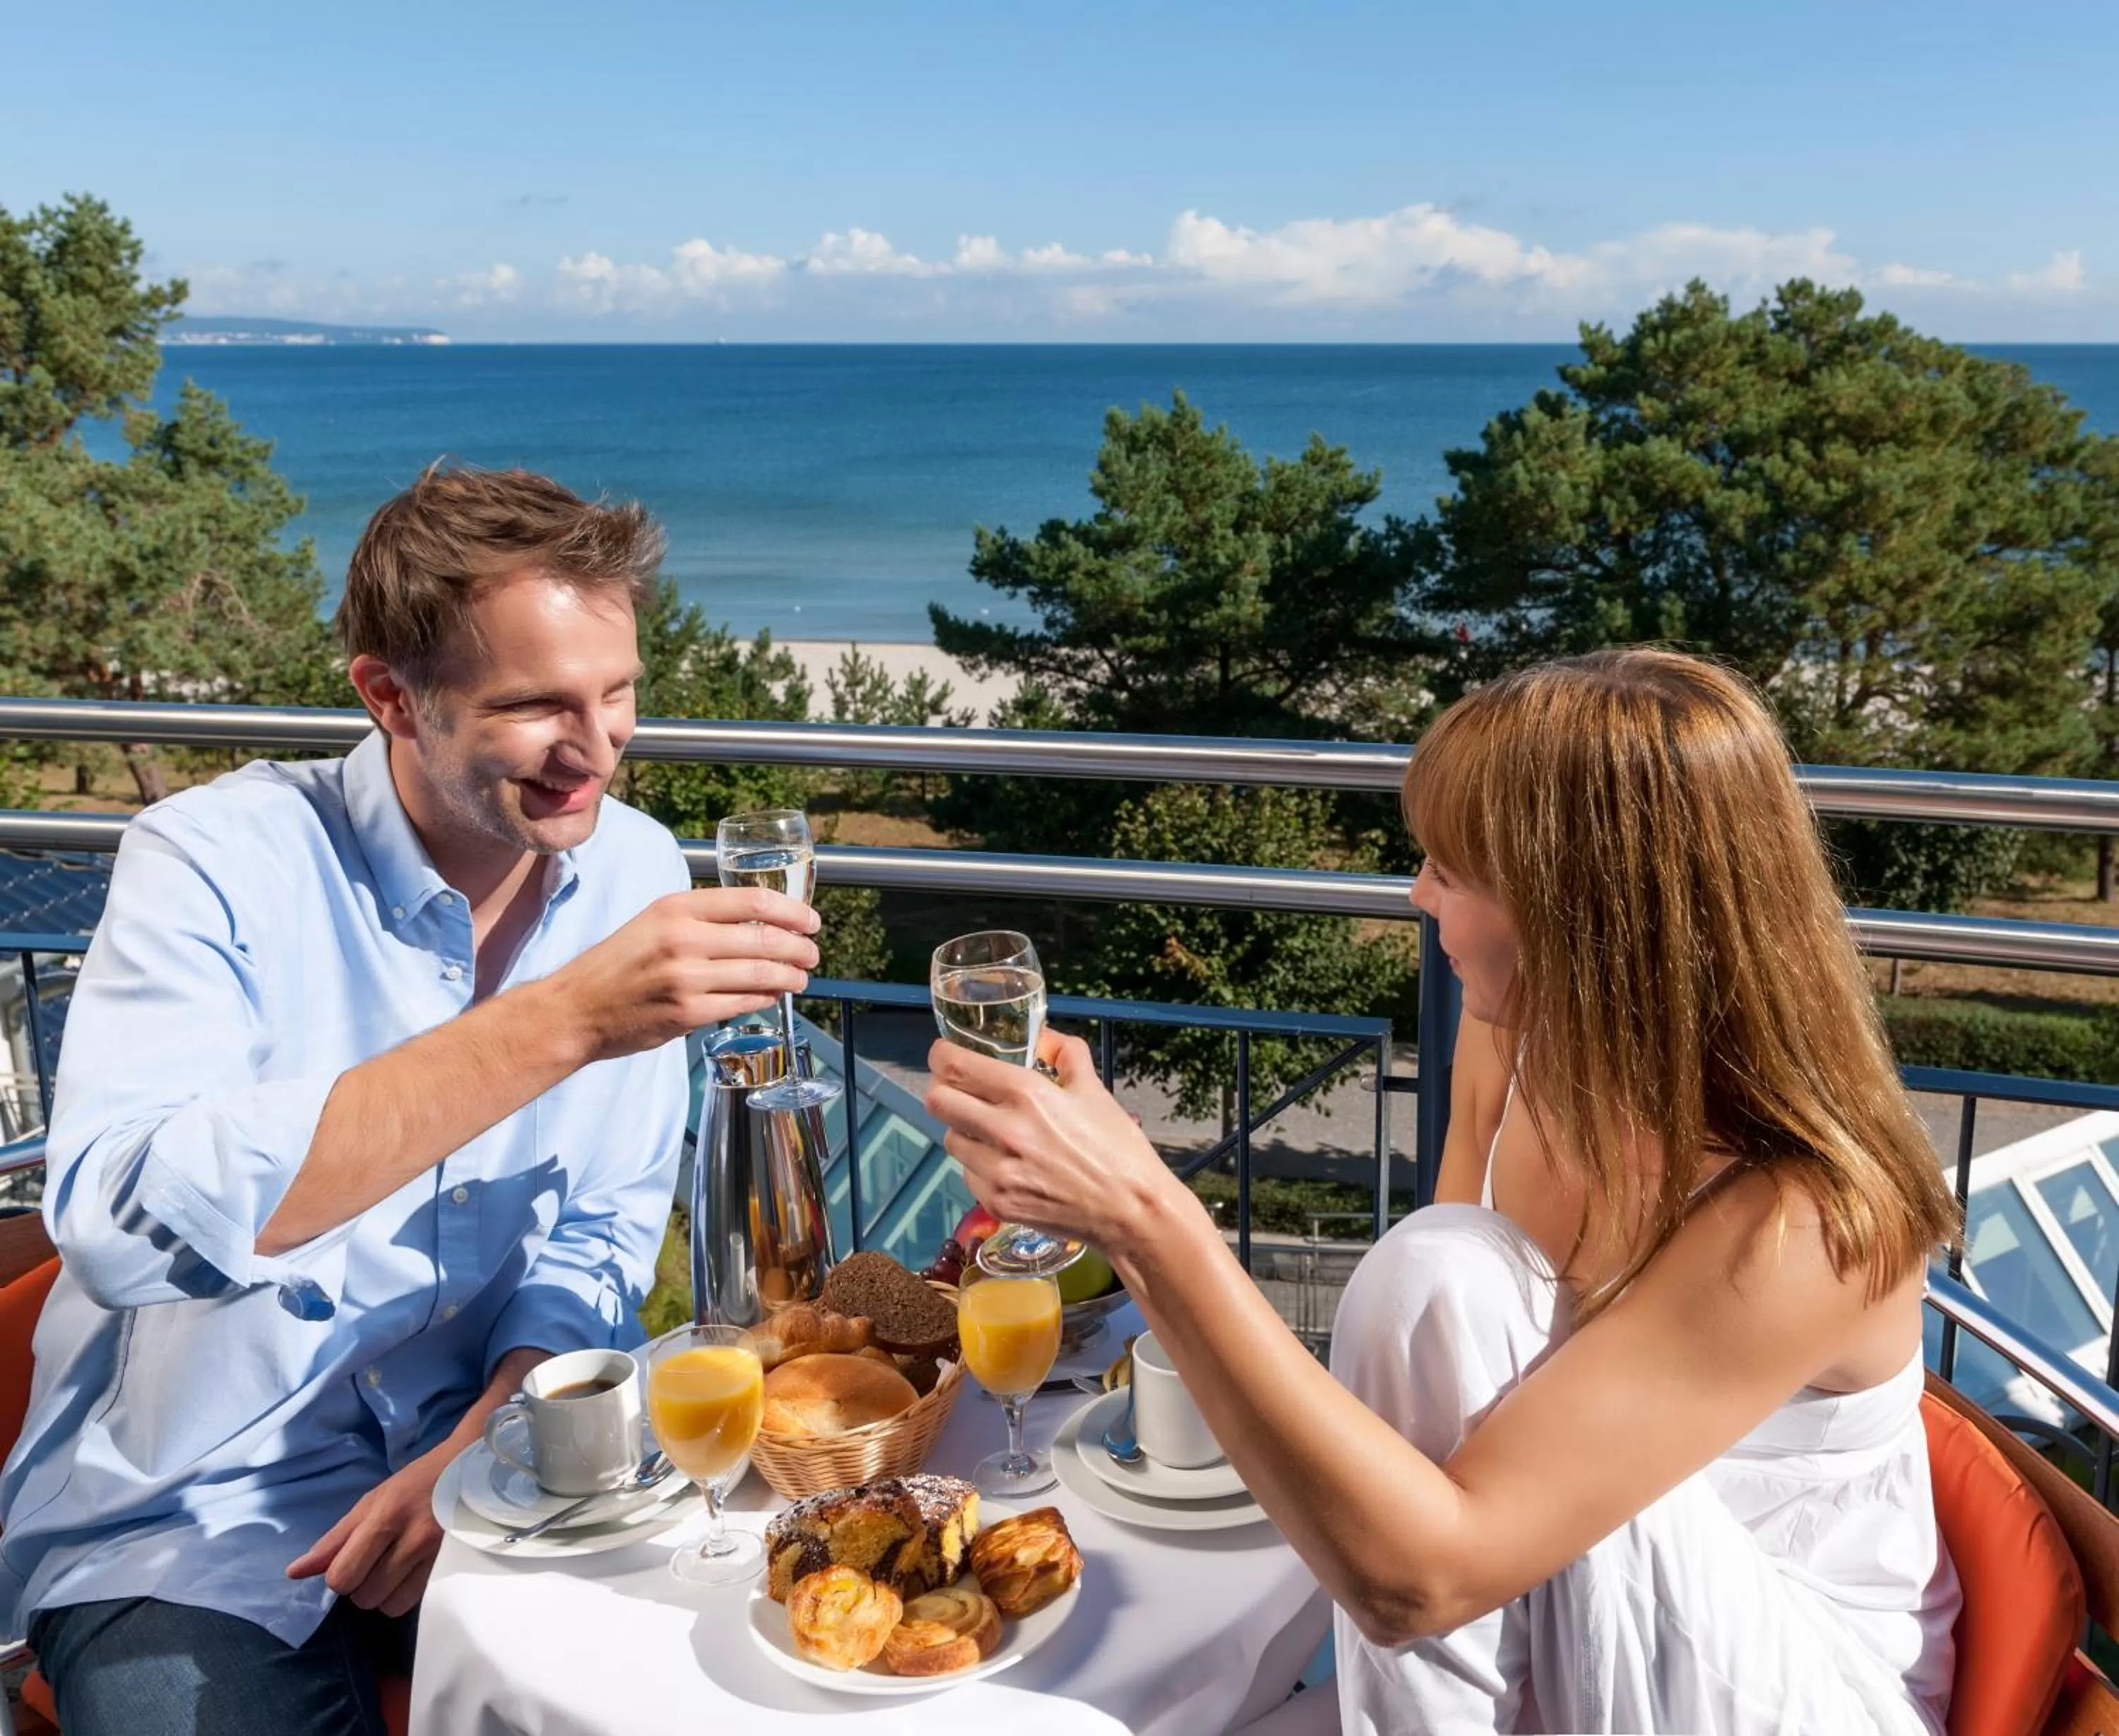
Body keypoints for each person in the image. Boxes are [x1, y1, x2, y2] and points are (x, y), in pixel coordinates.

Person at [925, 648, 1964, 1735]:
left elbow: (1421, 1578)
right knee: (1440, 1275)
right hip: (1542, 1615)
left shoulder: (1810, 1219)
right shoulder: (1519, 1039)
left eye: (1452, 872)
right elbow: (1429, 1428)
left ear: (1586, 916)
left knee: (1436, 1270)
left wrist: (1139, 1214)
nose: (1417, 894)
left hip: (1788, 1683)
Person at [0, 465, 821, 1735]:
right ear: (390, 694)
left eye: (619, 693)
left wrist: (486, 1455)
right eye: (536, 705)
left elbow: (598, 1236)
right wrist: (561, 1021)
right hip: (190, 1521)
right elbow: (116, 1221)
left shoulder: (638, 869)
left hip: (499, 1477)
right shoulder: (215, 863)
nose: (595, 750)